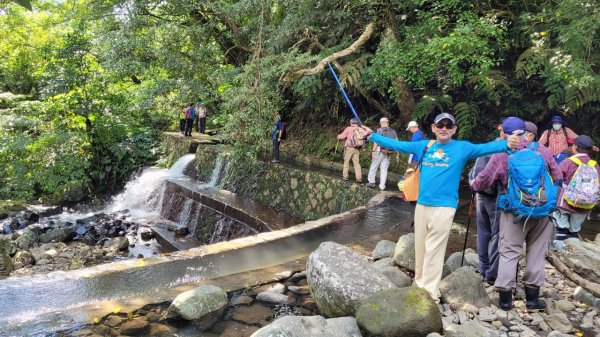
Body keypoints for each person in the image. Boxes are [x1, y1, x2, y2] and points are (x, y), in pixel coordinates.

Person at [364, 112, 520, 300]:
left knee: (434, 249)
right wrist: (371, 135)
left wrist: (507, 144)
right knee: (421, 247)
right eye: (440, 125)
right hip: (422, 205)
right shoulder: (424, 145)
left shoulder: (462, 148)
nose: (444, 129)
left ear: (454, 129)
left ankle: (429, 293)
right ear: (433, 128)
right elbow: (398, 145)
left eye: (448, 126)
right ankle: (419, 283)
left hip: (444, 207)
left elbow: (485, 148)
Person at [471, 117, 561, 312]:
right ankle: (532, 300)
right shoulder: (541, 150)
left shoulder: (502, 153)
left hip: (513, 213)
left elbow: (483, 180)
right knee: (536, 253)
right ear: (523, 131)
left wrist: (473, 185)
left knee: (510, 252)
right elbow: (558, 176)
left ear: (505, 132)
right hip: (542, 212)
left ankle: (505, 302)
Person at [467, 125, 504, 284]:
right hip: (495, 196)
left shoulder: (487, 146)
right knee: (496, 233)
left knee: (483, 231)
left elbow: (473, 172)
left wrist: (474, 185)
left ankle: (483, 266)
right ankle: (492, 272)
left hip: (479, 194)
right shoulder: (504, 150)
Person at [552, 135, 600, 250]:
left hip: (566, 202)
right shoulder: (595, 165)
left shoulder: (568, 162)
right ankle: (575, 252)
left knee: (560, 228)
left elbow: (557, 177)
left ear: (574, 147)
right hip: (585, 204)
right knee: (574, 230)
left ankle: (559, 251)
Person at [366, 117, 397, 190]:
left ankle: (371, 182)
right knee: (384, 169)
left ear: (381, 123)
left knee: (374, 166)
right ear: (388, 123)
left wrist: (373, 151)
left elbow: (376, 141)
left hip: (380, 151)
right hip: (388, 153)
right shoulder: (393, 132)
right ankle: (382, 186)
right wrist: (391, 151)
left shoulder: (379, 130)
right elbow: (396, 142)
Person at [337, 118, 365, 183]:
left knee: (346, 162)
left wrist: (338, 136)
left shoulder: (348, 128)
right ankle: (359, 178)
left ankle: (345, 177)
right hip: (357, 148)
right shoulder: (360, 129)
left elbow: (342, 136)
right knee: (357, 163)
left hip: (349, 148)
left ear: (351, 123)